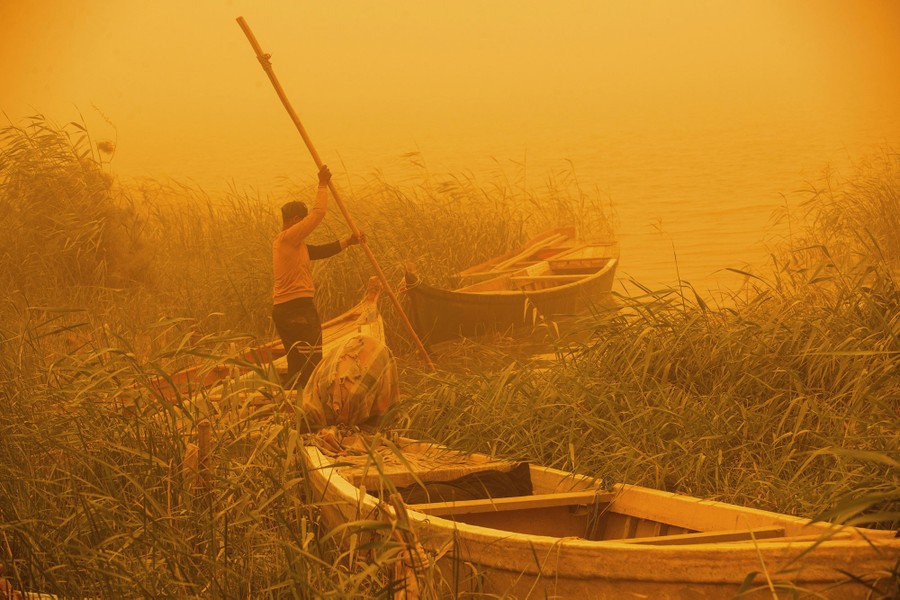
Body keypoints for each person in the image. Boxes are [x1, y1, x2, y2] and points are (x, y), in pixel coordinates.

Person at [272, 164, 364, 388]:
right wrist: (322, 184)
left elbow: (320, 251)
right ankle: (306, 402)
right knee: (311, 362)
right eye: (302, 222)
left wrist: (349, 242)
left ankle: (295, 400)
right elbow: (319, 213)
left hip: (289, 309)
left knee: (300, 362)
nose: (305, 226)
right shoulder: (287, 238)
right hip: (295, 310)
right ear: (295, 220)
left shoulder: (295, 246)